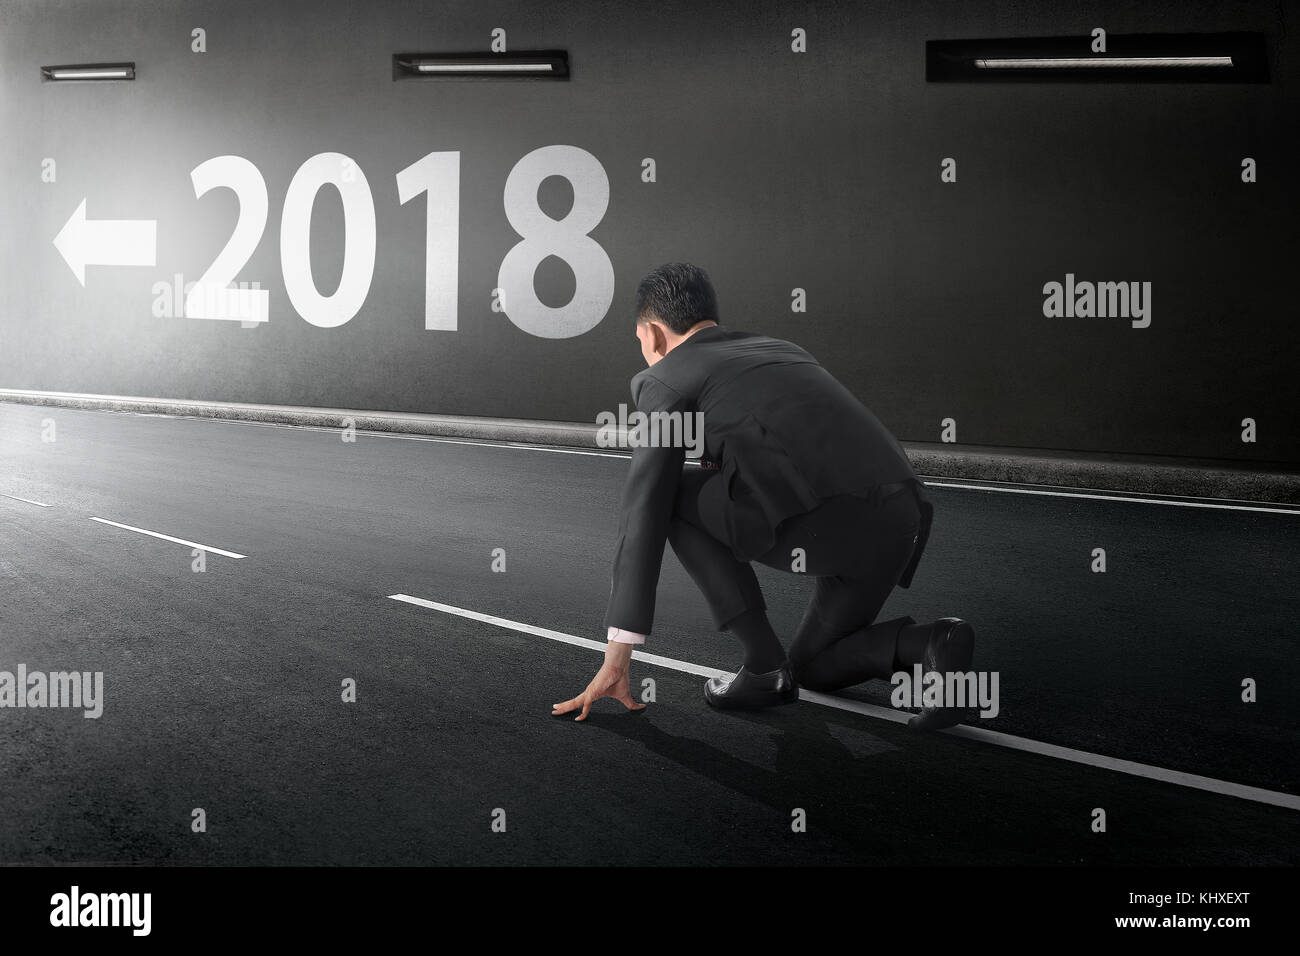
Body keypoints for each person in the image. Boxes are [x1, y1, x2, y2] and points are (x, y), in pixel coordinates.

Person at [552, 263, 974, 729]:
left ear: (651, 333)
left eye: (639, 339)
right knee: (812, 668)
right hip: (901, 518)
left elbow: (644, 507)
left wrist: (616, 658)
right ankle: (935, 644)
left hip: (826, 521)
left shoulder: (666, 377)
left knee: (672, 497)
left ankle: (762, 663)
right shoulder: (782, 349)